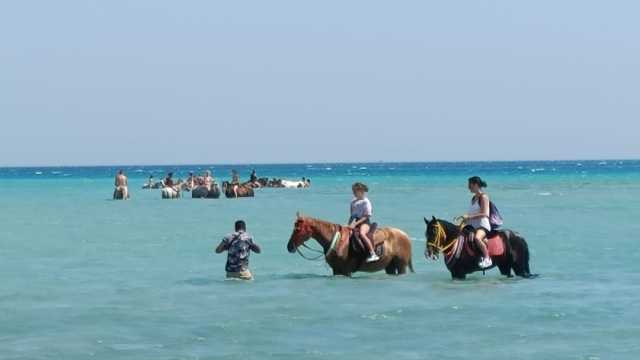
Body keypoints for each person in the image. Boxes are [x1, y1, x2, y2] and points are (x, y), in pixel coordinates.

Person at [462, 176, 493, 269]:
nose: (468, 187)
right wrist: (465, 219)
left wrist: (469, 217)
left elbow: (485, 213)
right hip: (472, 226)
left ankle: (487, 258)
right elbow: (471, 213)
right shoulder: (473, 198)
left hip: (482, 226)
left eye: (470, 185)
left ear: (476, 185)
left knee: (477, 238)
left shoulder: (484, 197)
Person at [348, 182, 379, 263]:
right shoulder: (353, 202)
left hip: (365, 222)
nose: (354, 193)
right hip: (356, 221)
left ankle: (373, 254)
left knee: (362, 234)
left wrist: (355, 224)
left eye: (355, 191)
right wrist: (349, 224)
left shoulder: (366, 202)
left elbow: (367, 216)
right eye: (353, 191)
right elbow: (352, 216)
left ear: (361, 191)